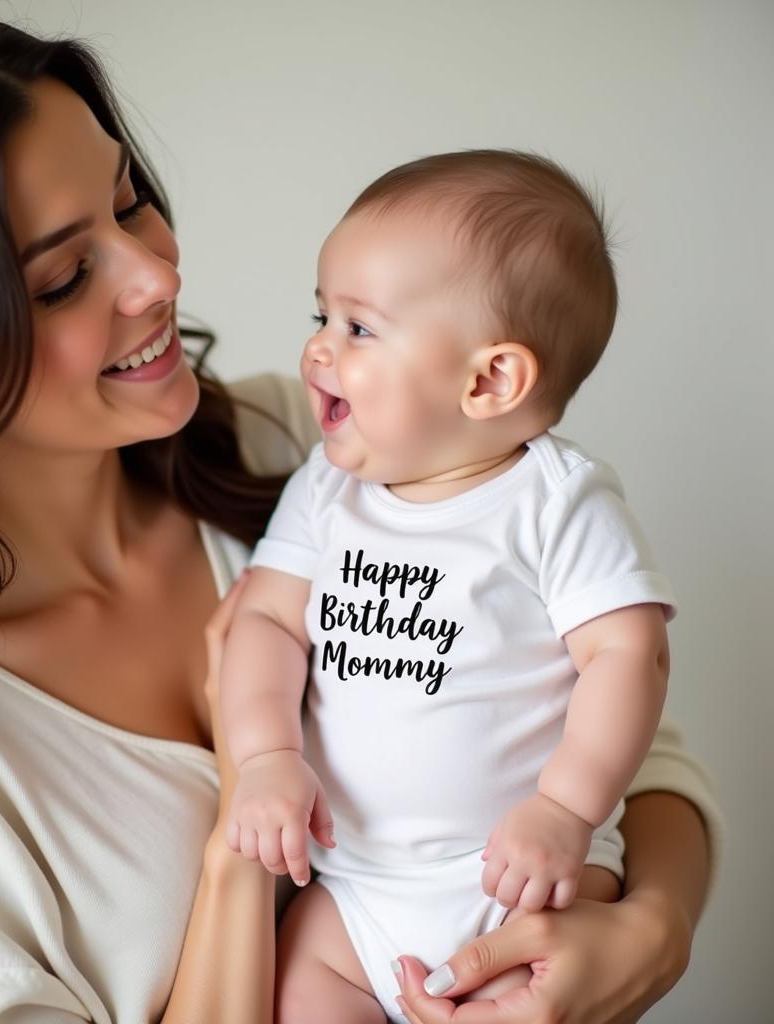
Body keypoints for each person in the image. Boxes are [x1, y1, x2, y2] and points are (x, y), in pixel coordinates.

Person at [0, 10, 721, 1024]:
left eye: (129, 204)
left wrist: (651, 931)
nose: (159, 276)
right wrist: (236, 842)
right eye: (63, 277)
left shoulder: (299, 448)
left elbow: (616, 729)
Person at [219, 151, 684, 1023]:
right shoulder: (327, 489)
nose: (317, 347)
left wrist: (565, 807)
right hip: (355, 890)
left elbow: (630, 653)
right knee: (300, 986)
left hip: (520, 882)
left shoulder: (554, 501)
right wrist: (267, 756)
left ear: (489, 380)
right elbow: (266, 625)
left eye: (359, 328)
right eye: (322, 315)